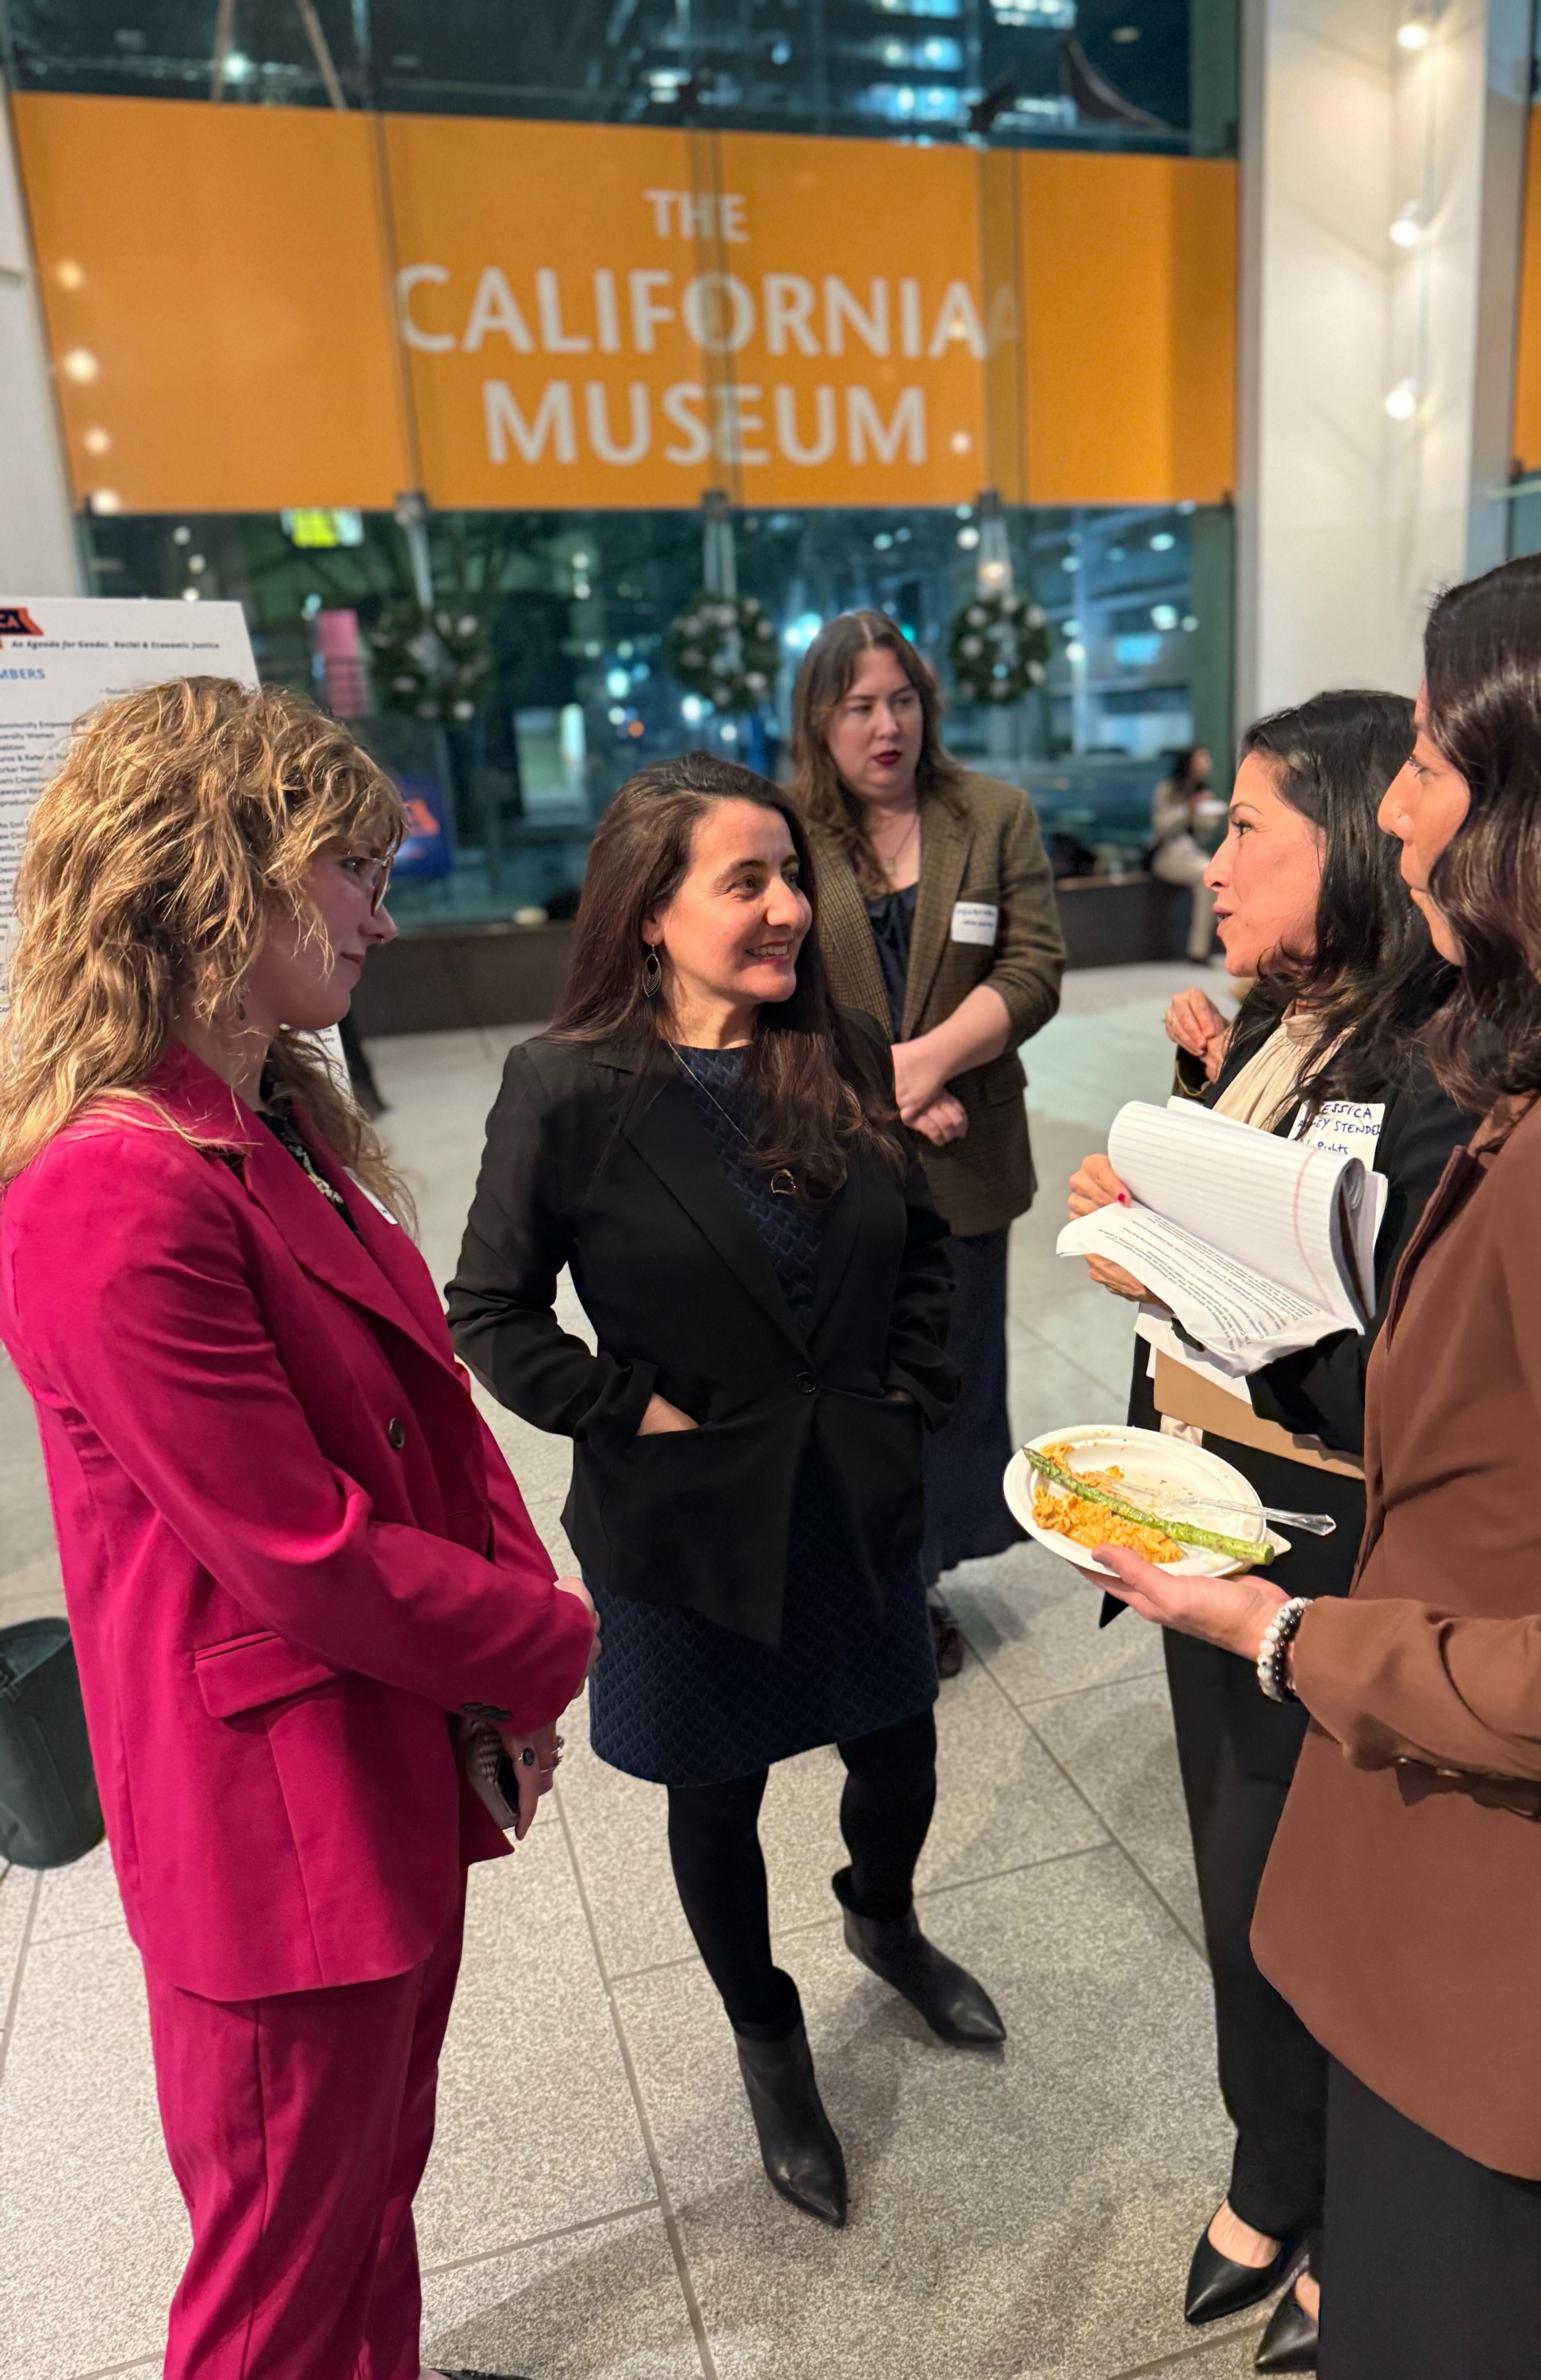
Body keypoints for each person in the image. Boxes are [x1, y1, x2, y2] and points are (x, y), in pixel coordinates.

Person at [1094, 537, 1541, 2380]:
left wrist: (1275, 1633)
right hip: (1531, 1950)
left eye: (1426, 755)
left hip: (1529, 1978)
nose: (1396, 817)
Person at [0, 678, 595, 2380]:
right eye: (349, 867)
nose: (378, 915)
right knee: (274, 2275)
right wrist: (548, 1642)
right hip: (273, 1833)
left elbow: (429, 1422)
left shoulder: (264, 1124)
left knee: (368, 2196)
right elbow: (303, 1549)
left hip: (375, 1752)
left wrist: (496, 1678)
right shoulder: (114, 1186)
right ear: (216, 867)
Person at [447, 752, 1005, 2235]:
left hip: (854, 1498)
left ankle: (880, 1919)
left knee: (900, 1761)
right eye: (742, 881)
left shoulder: (834, 1047)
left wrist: (915, 1395)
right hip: (688, 1522)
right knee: (720, 1800)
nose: (784, 910)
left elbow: (923, 1252)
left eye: (788, 877)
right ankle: (768, 2037)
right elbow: (491, 1310)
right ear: (648, 909)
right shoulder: (568, 1088)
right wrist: (630, 1405)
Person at [1068, 690, 1474, 2373]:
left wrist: (1184, 1257)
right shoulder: (1266, 1024)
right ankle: (1270, 2162)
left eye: (1251, 832)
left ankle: (1352, 2227)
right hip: (1210, 1517)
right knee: (1241, 1881)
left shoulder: (1452, 1063)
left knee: (1355, 1915)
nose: (1212, 863)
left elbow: (1414, 1372)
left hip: (1347, 1561)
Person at [789, 610, 1066, 1676]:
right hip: (833, 1162)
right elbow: (777, 994)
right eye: (858, 705)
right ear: (818, 718)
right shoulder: (787, 834)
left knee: (947, 1387)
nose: (884, 724)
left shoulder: (989, 814)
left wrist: (931, 1063)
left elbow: (1033, 968)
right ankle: (867, 1585)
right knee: (853, 1387)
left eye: (900, 699)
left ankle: (923, 1578)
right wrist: (883, 1093)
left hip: (964, 1160)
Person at [1149, 743, 1225, 958]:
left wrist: (1206, 813)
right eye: (1201, 759)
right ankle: (1198, 950)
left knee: (1211, 879)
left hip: (1192, 855)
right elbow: (1161, 827)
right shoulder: (1167, 789)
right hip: (1167, 855)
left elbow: (1203, 834)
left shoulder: (1204, 792)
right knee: (1207, 875)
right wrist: (1187, 809)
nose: (1205, 764)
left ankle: (1200, 949)